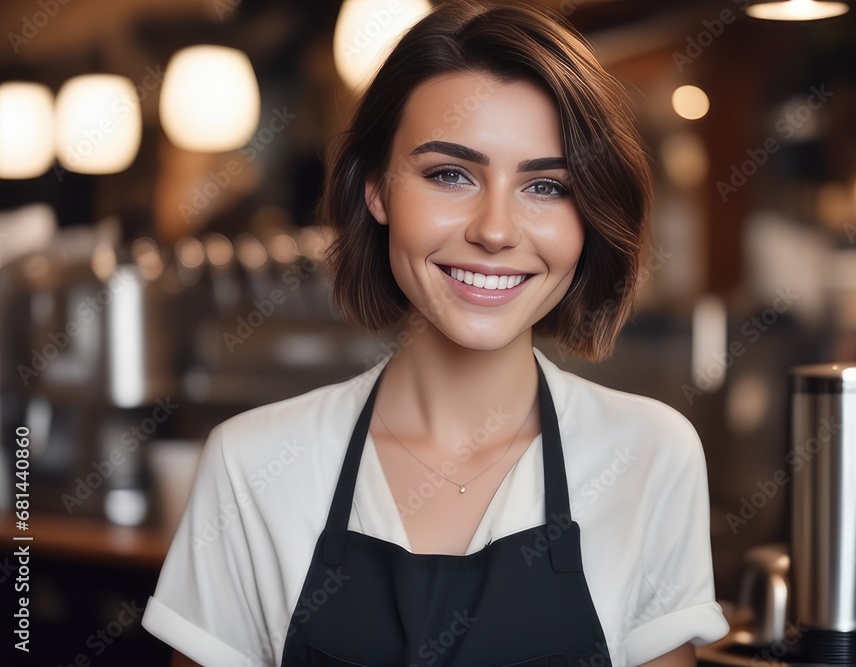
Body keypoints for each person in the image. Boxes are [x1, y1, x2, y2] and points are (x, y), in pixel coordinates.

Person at [141, 1, 729, 665]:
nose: (497, 229)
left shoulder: (649, 456)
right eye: (451, 174)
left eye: (546, 186)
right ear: (377, 190)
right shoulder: (251, 467)